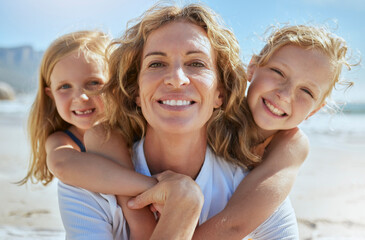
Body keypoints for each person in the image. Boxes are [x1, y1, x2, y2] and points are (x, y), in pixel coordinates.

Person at [56, 3, 348, 239]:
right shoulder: (91, 182)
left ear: (221, 92)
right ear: (135, 90)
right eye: (157, 63)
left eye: (196, 63)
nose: (176, 78)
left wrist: (183, 209)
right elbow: (89, 142)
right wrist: (180, 202)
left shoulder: (255, 191)